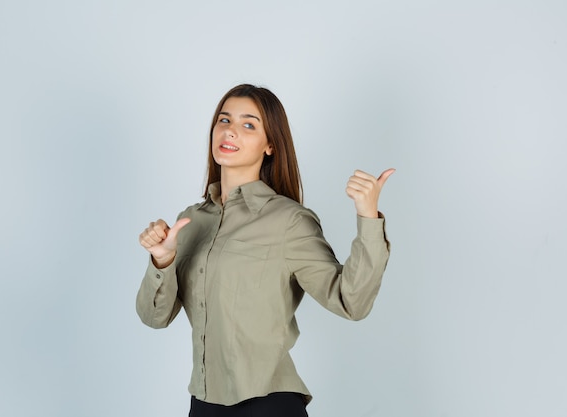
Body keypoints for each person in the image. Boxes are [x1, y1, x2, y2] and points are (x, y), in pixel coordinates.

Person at [136, 84, 394, 417]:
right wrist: (162, 259)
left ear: (270, 144)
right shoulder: (191, 220)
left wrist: (368, 216)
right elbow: (153, 318)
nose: (230, 131)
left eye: (248, 124)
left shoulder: (288, 221)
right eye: (224, 120)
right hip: (202, 405)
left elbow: (352, 302)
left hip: (268, 405)